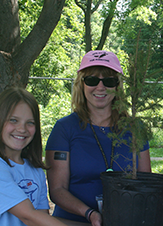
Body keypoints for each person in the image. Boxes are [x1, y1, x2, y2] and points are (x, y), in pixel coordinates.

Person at [46, 50, 152, 226]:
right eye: (92, 80)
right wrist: (89, 214)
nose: (100, 87)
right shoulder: (64, 129)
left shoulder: (134, 128)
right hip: (73, 221)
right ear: (82, 84)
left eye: (109, 81)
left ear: (117, 86)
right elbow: (57, 190)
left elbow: (145, 183)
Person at [0, 87, 67, 226]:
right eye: (13, 120)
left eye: (30, 123)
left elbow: (41, 219)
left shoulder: (35, 170)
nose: (22, 129)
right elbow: (29, 216)